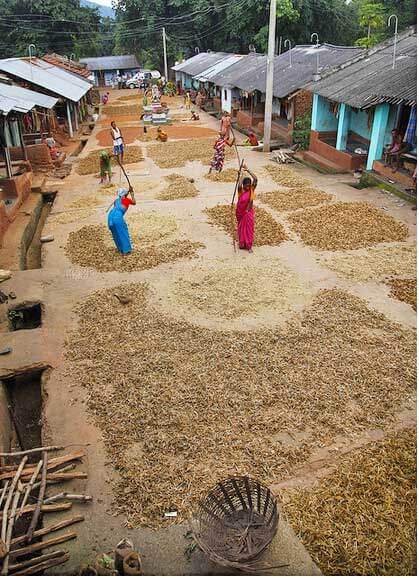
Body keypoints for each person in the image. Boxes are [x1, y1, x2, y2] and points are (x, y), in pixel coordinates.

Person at [107, 187, 136, 255]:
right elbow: (134, 202)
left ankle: (120, 249)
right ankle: (126, 250)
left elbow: (123, 197)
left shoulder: (116, 200)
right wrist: (132, 194)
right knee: (123, 231)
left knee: (116, 233)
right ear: (125, 194)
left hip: (110, 216)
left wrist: (128, 191)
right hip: (117, 217)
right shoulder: (126, 200)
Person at [236, 163, 257, 252]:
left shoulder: (252, 190)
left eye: (249, 185)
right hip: (241, 212)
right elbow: (239, 185)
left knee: (249, 229)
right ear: (244, 185)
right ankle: (242, 243)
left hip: (248, 212)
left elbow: (255, 179)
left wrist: (247, 169)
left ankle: (249, 245)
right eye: (246, 185)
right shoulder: (241, 191)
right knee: (241, 228)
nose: (248, 187)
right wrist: (241, 174)